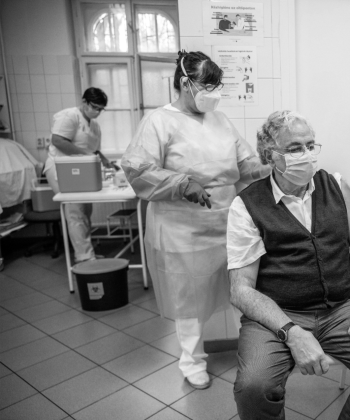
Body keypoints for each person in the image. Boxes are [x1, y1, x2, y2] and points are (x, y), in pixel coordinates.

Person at [227, 110, 350, 420]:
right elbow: (241, 290)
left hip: (340, 309)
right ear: (271, 156)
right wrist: (292, 333)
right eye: (295, 148)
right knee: (253, 387)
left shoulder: (336, 188)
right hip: (277, 314)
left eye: (311, 145)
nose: (307, 155)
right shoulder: (246, 205)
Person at [121, 50, 270, 390]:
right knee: (188, 294)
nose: (214, 92)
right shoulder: (158, 121)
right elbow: (137, 169)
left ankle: (255, 353)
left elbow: (244, 164)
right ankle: (191, 360)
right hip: (181, 226)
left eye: (218, 85)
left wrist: (270, 166)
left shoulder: (221, 120)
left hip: (226, 221)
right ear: (185, 84)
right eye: (208, 85)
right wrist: (182, 183)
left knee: (241, 287)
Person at [43, 87, 113, 263]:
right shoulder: (69, 116)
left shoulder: (94, 125)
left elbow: (94, 149)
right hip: (62, 169)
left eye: (100, 109)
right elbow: (58, 141)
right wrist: (85, 155)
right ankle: (84, 257)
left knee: (85, 211)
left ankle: (88, 252)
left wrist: (104, 160)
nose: (97, 112)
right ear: (84, 102)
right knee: (75, 211)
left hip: (81, 170)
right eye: (94, 107)